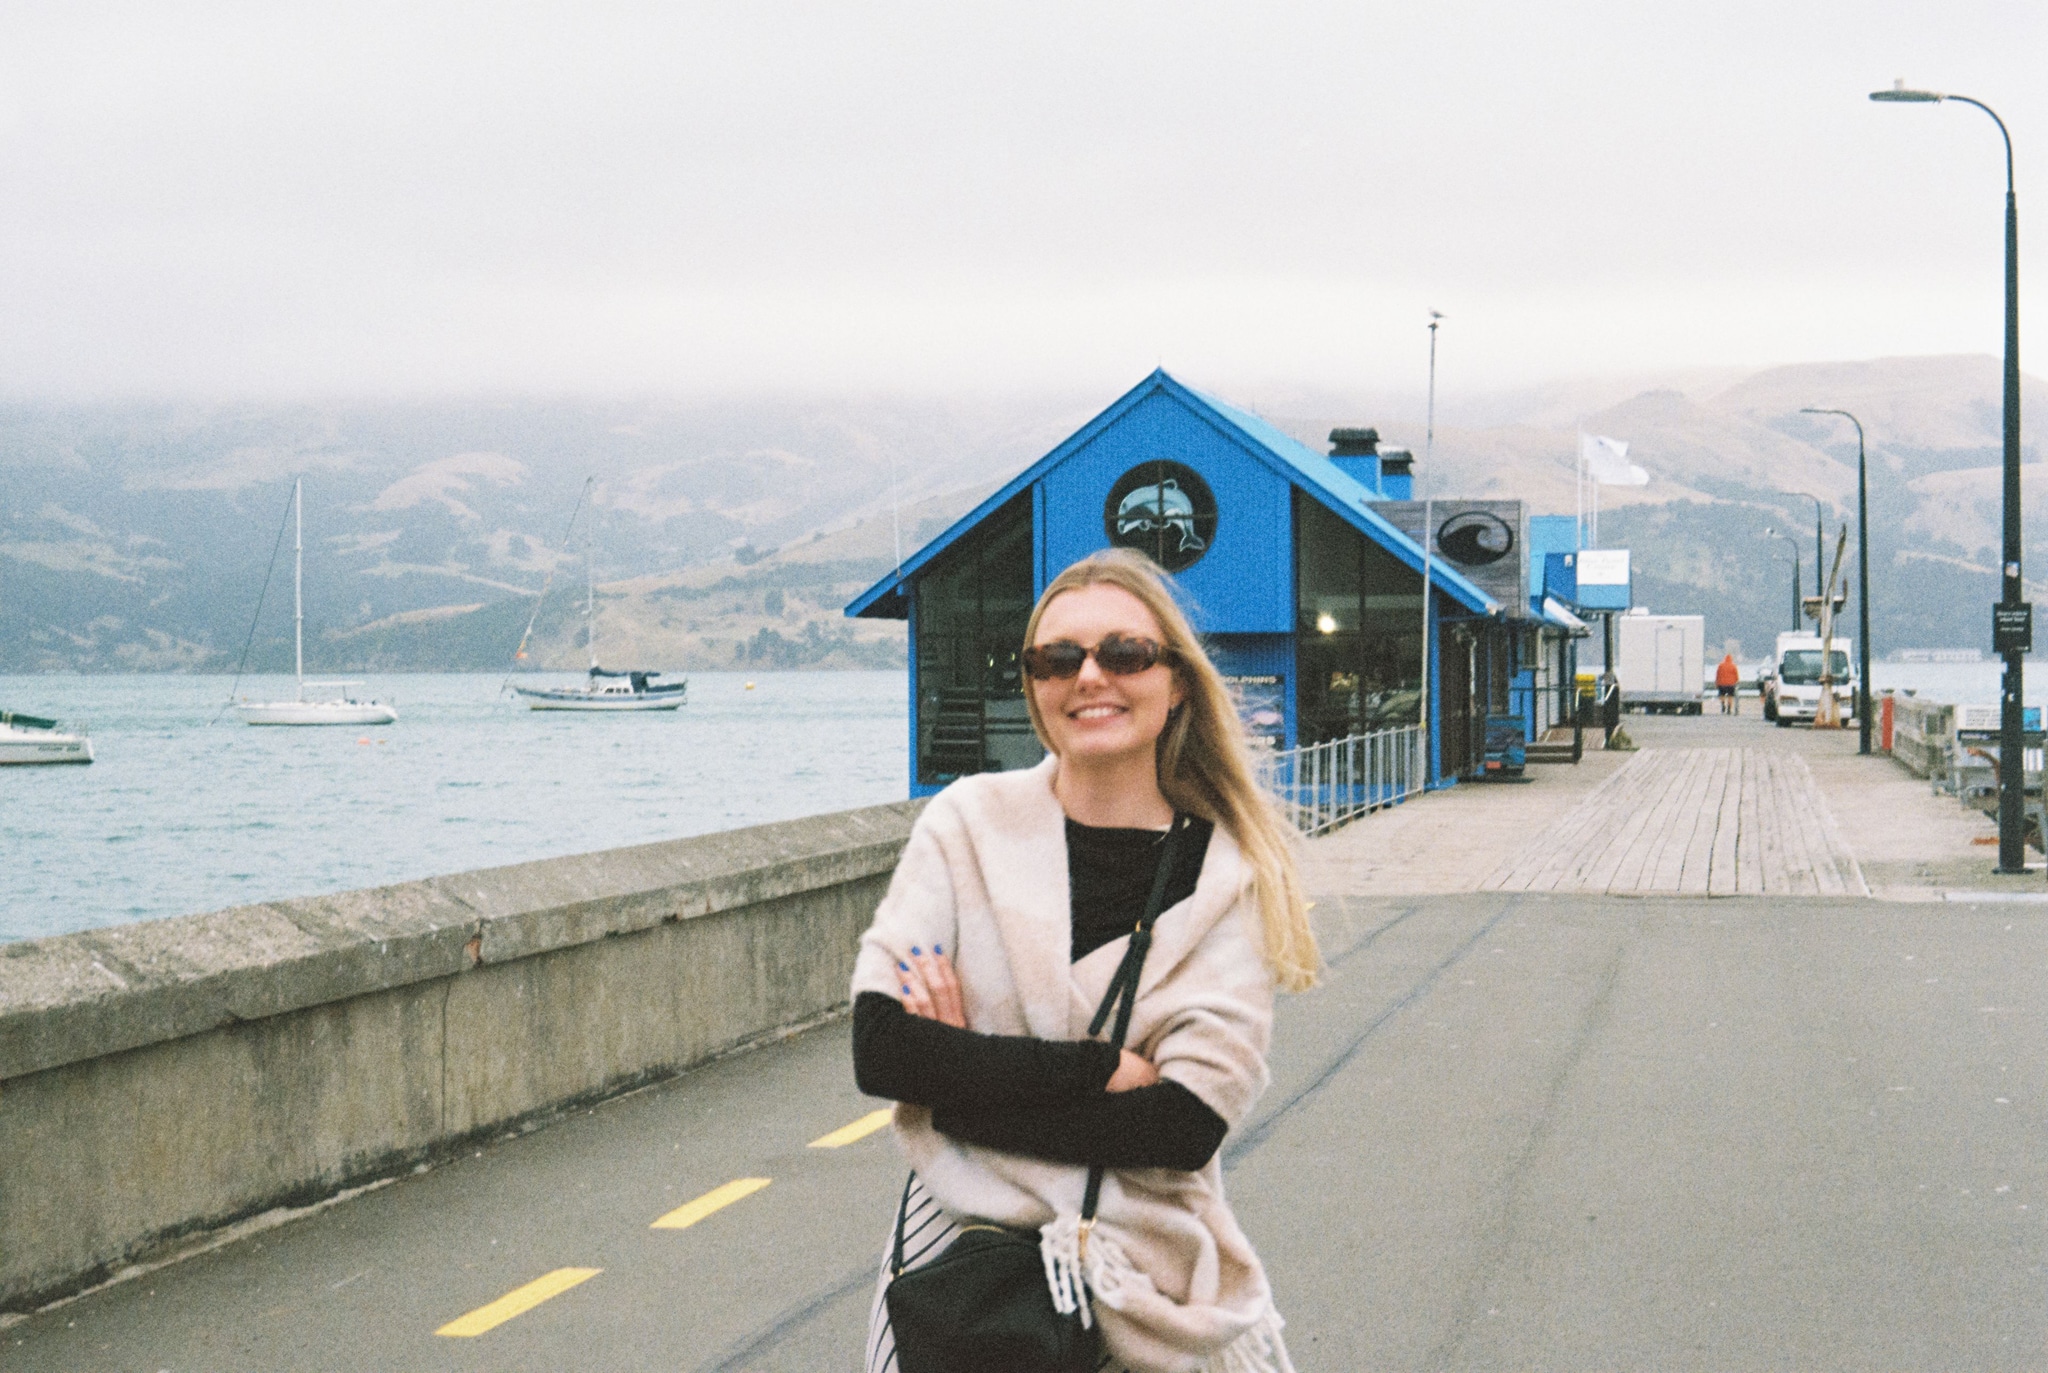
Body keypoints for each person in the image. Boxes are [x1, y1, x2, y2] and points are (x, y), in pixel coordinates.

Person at [850, 548, 1311, 1373]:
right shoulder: (964, 826)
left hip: (1149, 1268)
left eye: (1123, 653)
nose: (1089, 675)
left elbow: (1180, 1125)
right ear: (1034, 686)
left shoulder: (1229, 878)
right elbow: (885, 1046)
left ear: (1175, 683)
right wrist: (1101, 1068)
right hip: (963, 1251)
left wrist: (959, 1092)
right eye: (1058, 658)